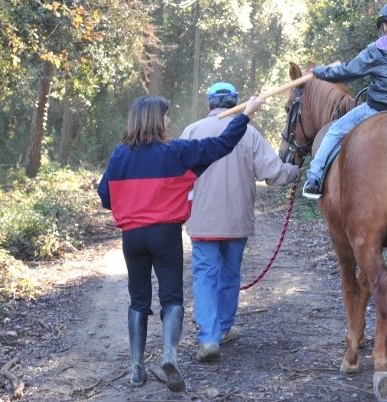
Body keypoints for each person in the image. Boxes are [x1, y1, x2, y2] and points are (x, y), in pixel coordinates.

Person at [97, 94, 263, 391]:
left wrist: (132, 203)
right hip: (165, 234)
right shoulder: (175, 152)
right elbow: (221, 145)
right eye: (166, 115)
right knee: (171, 297)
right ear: (156, 120)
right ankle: (169, 357)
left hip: (132, 237)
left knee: (138, 299)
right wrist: (245, 115)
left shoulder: (119, 155)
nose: (169, 120)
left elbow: (105, 196)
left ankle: (136, 369)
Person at [180, 82, 300, 362]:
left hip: (203, 221)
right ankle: (223, 328)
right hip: (237, 221)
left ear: (209, 104)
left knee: (205, 276)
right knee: (230, 273)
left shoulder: (192, 131)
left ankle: (208, 339)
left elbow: (176, 175)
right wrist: (297, 171)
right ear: (235, 103)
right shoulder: (249, 133)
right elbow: (273, 173)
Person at [302, 0, 387, 199]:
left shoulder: (378, 48)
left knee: (335, 131)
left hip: (376, 109)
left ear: (385, 25)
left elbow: (347, 72)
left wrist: (319, 72)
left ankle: (314, 178)